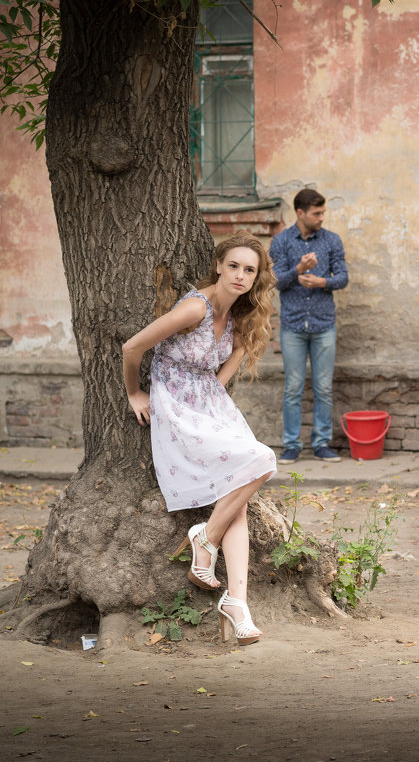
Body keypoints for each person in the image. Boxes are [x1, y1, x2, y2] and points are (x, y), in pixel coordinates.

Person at [122, 232, 277, 646]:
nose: (240, 276)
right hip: (175, 404)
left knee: (238, 494)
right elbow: (132, 346)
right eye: (234, 266)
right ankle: (204, 538)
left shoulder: (244, 318)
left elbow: (221, 378)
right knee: (263, 459)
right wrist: (135, 392)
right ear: (219, 266)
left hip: (210, 405)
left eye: (250, 270)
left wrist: (215, 398)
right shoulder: (195, 307)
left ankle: (236, 602)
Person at [269, 188, 349, 464]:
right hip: (292, 325)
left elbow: (343, 277)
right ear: (300, 213)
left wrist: (322, 282)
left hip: (324, 324)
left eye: (323, 212)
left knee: (323, 387)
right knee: (293, 387)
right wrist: (299, 271)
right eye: (317, 213)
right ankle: (291, 445)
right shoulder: (280, 242)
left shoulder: (331, 241)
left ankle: (321, 443)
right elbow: (274, 281)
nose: (321, 218)